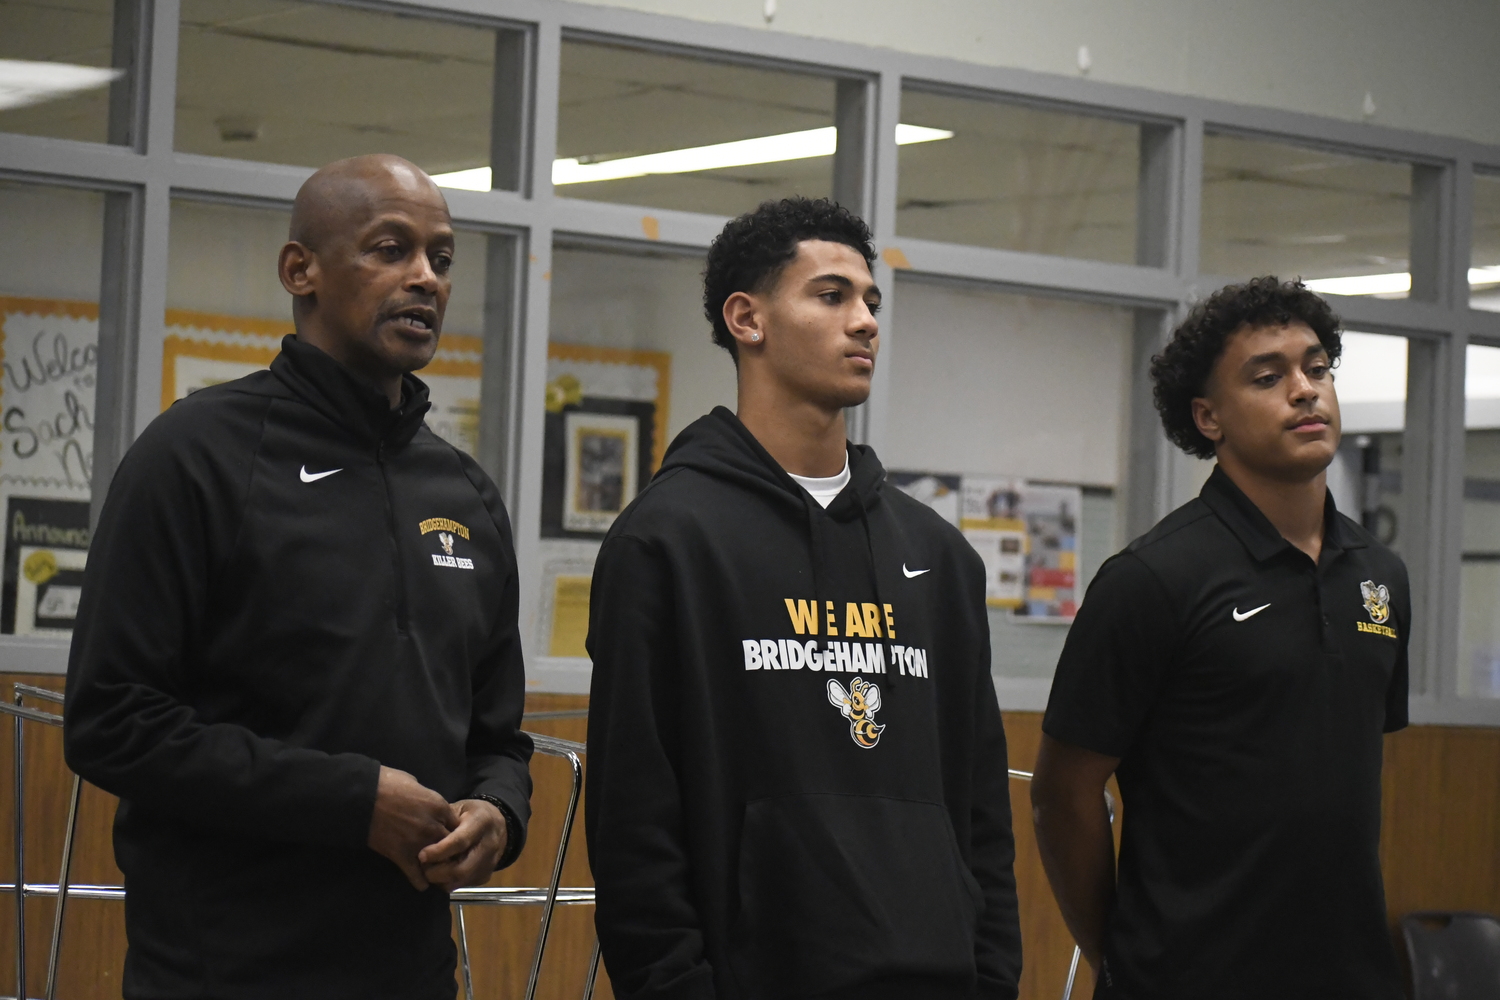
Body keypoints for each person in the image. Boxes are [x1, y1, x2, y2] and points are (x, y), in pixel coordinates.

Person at [63, 154, 532, 1000]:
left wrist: (499, 812)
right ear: (300, 270)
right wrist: (353, 800)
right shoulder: (194, 455)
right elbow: (112, 720)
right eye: (390, 249)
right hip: (222, 972)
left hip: (413, 973)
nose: (424, 277)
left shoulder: (464, 492)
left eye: (442, 258)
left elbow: (496, 737)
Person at [584, 197, 1022, 1000]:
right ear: (747, 319)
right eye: (831, 296)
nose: (864, 323)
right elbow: (633, 821)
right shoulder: (667, 542)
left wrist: (992, 980)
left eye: (871, 302)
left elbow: (983, 817)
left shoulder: (938, 555)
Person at [1032, 277, 1408, 999]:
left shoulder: (1382, 576)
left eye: (1317, 368)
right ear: (1209, 417)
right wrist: (1122, 954)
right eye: (1269, 377)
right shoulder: (1152, 578)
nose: (1304, 390)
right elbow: (1062, 795)